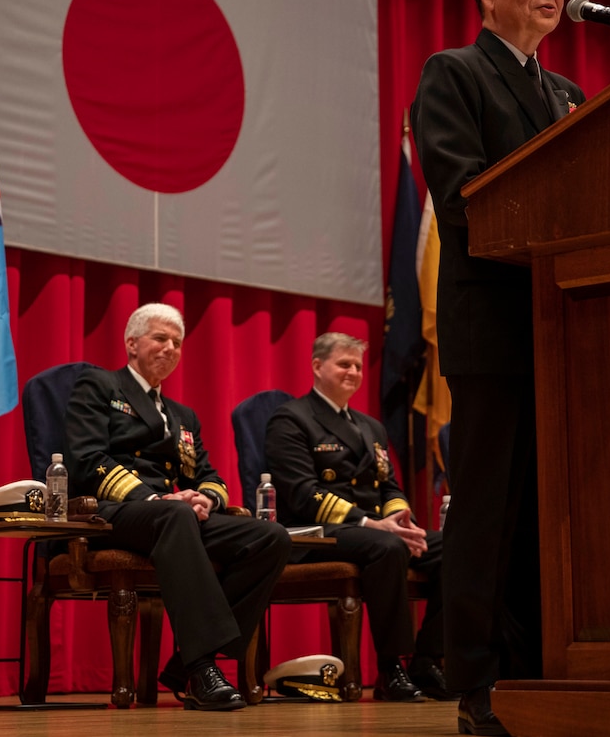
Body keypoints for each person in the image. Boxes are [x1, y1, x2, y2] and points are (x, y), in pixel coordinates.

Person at [408, 0, 584, 737]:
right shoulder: (455, 75)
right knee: (487, 508)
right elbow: (468, 199)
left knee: (555, 510)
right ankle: (477, 684)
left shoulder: (571, 99)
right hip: (495, 323)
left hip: (570, 327)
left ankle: (550, 666)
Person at [65, 302, 291, 711]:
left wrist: (206, 497)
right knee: (175, 513)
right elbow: (87, 460)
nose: (170, 348)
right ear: (131, 343)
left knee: (269, 537)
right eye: (160, 338)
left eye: (177, 342)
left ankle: (184, 662)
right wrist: (155, 498)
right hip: (110, 513)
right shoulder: (98, 386)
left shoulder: (182, 415)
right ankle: (202, 667)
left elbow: (209, 475)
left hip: (172, 516)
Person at [264, 332, 446, 702]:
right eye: (344, 364)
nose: (353, 372)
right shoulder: (291, 419)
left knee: (457, 545)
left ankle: (427, 659)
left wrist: (400, 517)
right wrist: (370, 522)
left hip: (375, 529)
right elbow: (302, 492)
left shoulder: (370, 426)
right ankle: (391, 667)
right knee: (387, 546)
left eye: (358, 366)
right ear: (317, 366)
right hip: (312, 532)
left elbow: (389, 487)